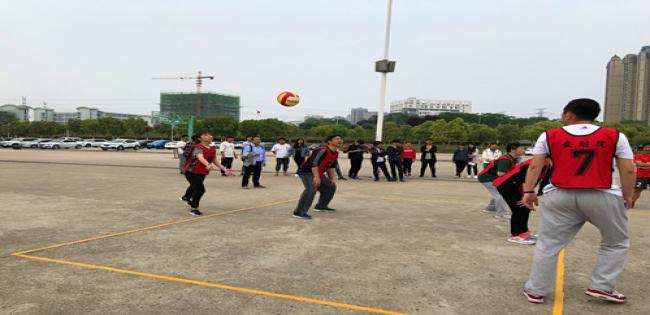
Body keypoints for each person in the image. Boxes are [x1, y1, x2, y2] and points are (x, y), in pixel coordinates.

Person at [521, 98, 635, 304]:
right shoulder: (615, 136)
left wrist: (529, 190)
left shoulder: (549, 135)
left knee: (548, 244)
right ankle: (602, 286)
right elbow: (628, 169)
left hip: (559, 194)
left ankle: (536, 290)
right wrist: (628, 195)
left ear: (569, 115)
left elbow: (534, 167)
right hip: (603, 194)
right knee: (615, 242)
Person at [494, 158, 552, 245]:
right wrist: (528, 193)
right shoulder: (541, 162)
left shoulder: (546, 164)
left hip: (516, 184)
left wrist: (532, 194)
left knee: (526, 208)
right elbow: (526, 178)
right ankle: (516, 234)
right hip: (507, 184)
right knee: (519, 208)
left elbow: (540, 181)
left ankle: (524, 231)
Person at [180, 131, 232, 216]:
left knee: (195, 186)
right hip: (191, 171)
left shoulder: (212, 148)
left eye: (209, 134)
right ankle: (194, 209)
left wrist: (224, 169)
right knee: (200, 189)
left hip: (202, 172)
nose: (209, 136)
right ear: (200, 138)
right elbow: (200, 157)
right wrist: (207, 164)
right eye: (205, 135)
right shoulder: (197, 147)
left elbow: (214, 160)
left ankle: (186, 198)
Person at [293, 134, 343, 219]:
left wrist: (332, 178)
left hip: (318, 173)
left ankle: (321, 206)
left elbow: (331, 166)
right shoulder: (322, 150)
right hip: (307, 172)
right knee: (311, 189)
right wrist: (316, 177)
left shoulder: (335, 153)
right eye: (337, 139)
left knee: (330, 186)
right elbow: (314, 163)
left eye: (341, 139)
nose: (340, 140)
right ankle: (299, 212)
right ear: (329, 141)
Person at [478, 143, 525, 219]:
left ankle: (491, 208)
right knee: (501, 194)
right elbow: (500, 174)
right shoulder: (505, 159)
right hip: (487, 178)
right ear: (513, 150)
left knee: (498, 193)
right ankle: (501, 213)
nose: (523, 151)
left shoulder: (510, 158)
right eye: (521, 149)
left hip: (491, 177)